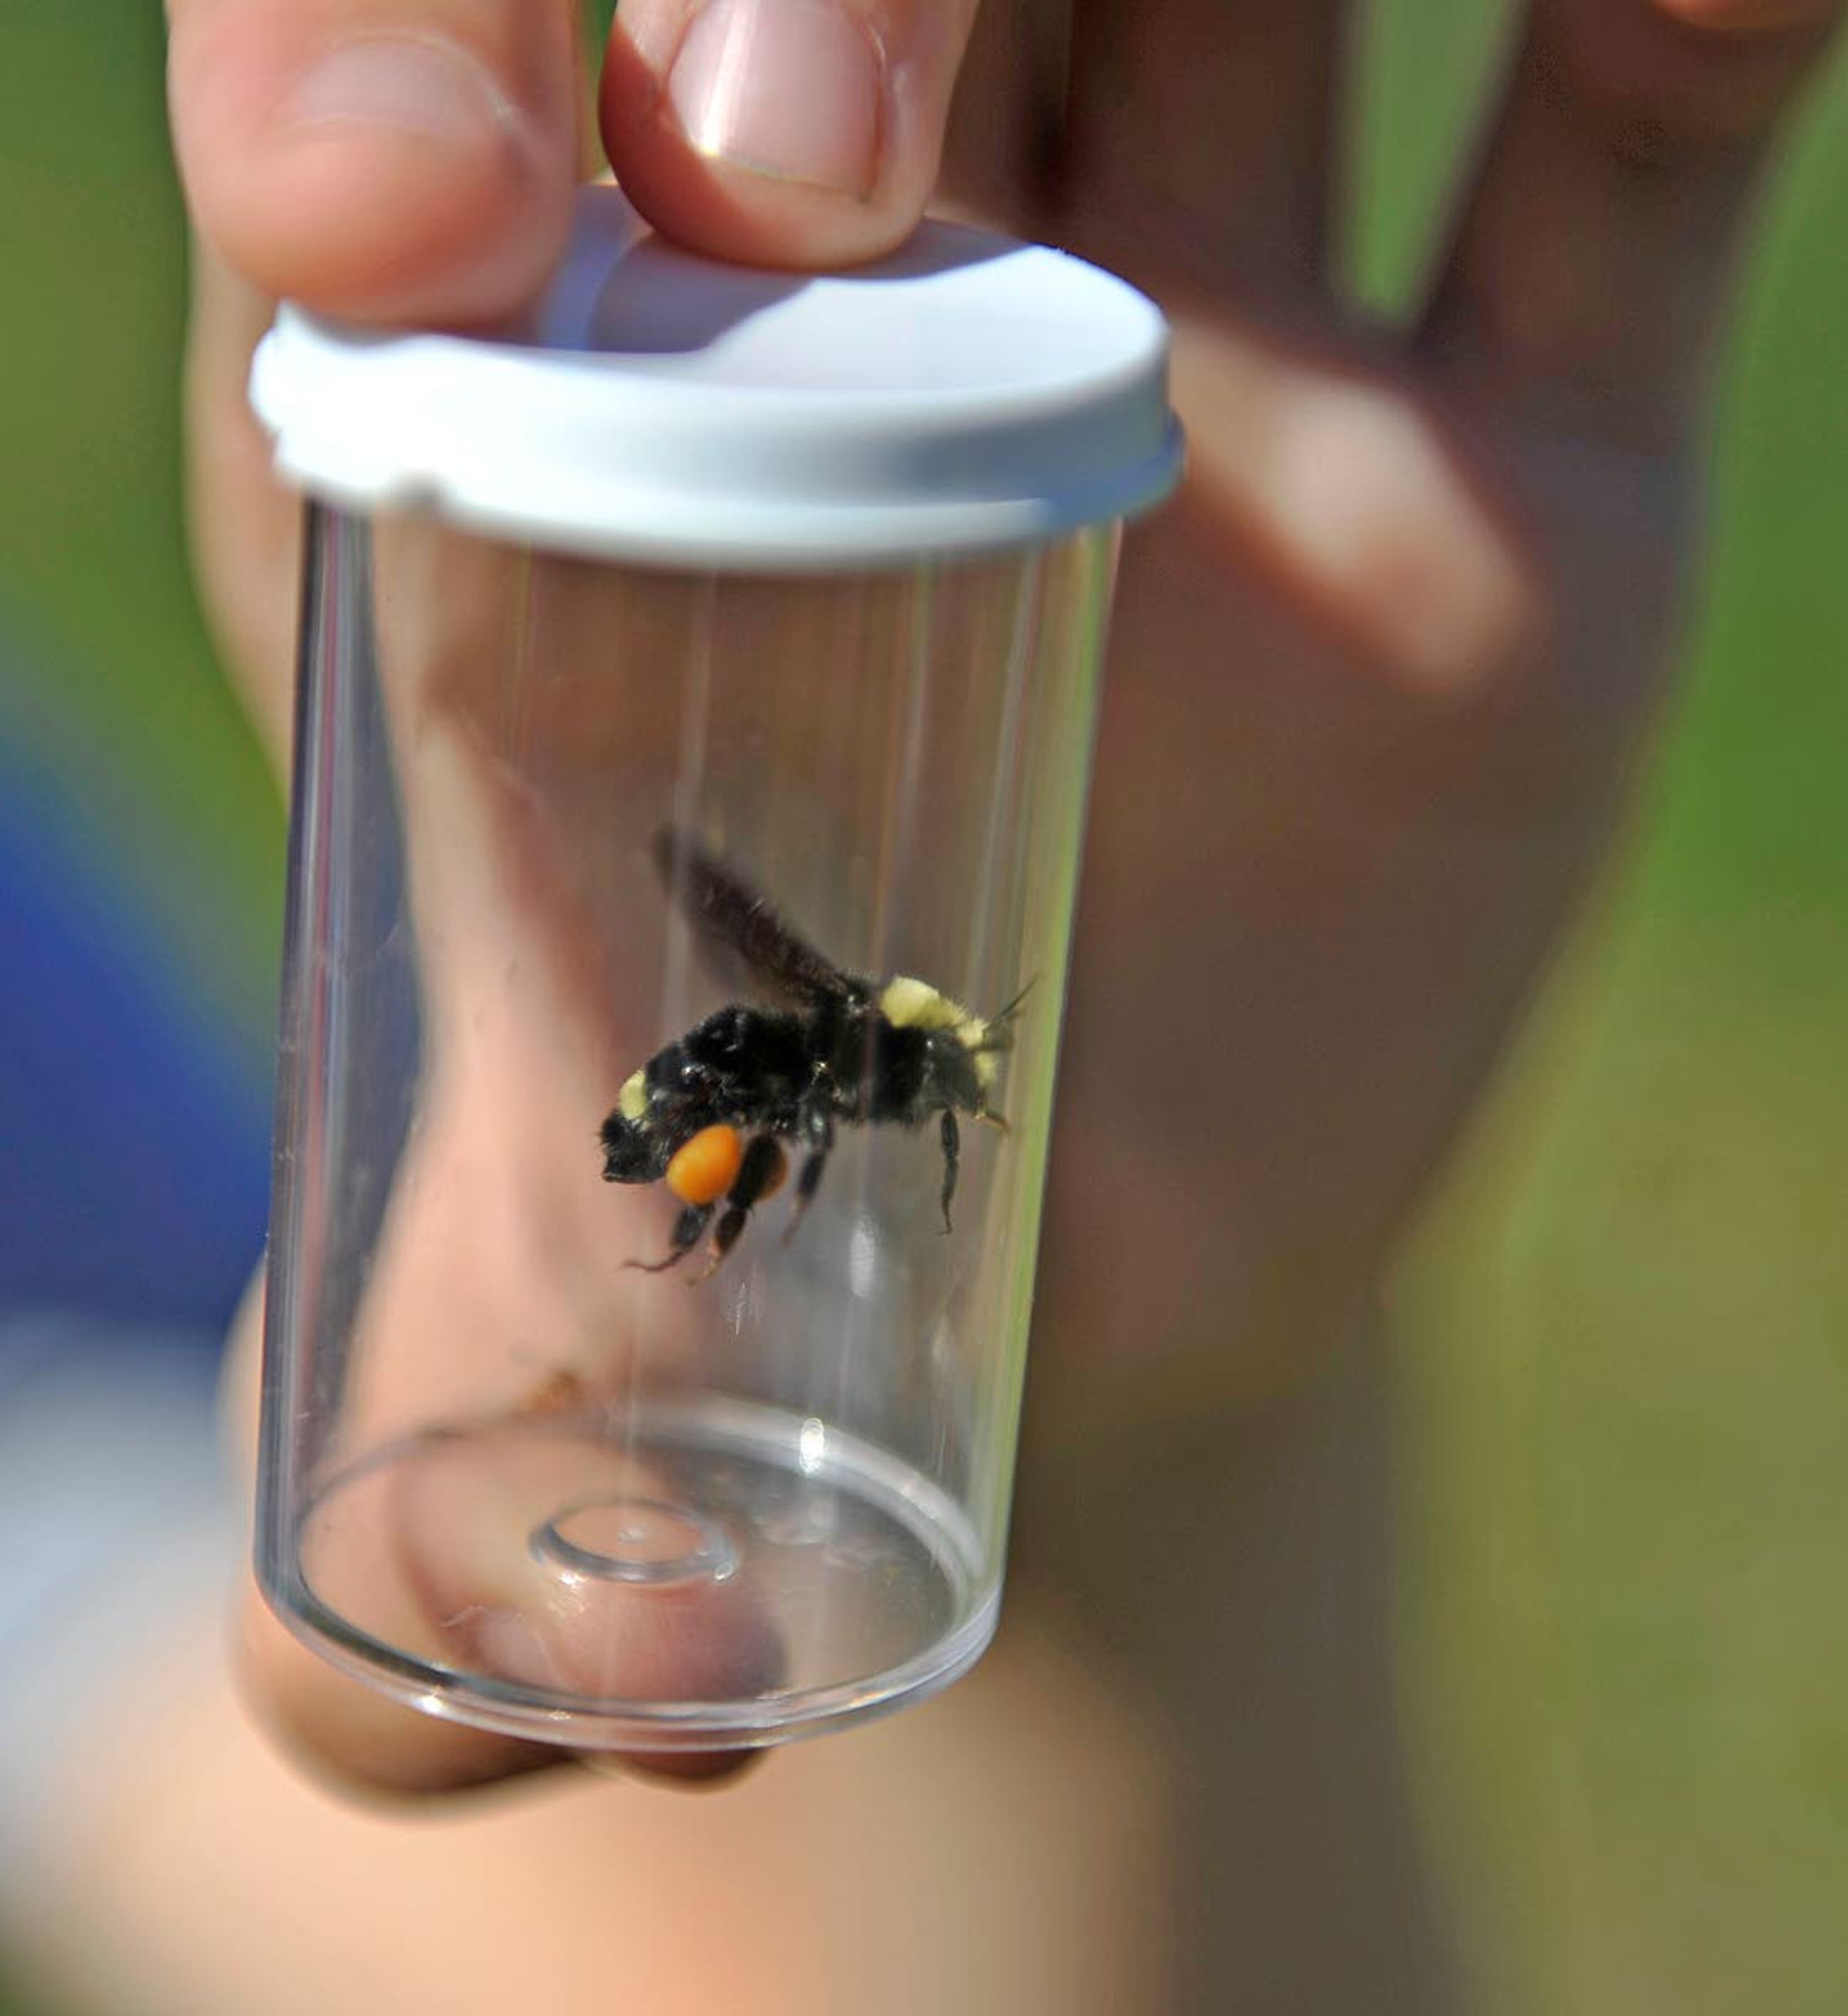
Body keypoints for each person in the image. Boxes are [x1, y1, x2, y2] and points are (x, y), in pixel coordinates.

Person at [10, 2, 1839, 2010]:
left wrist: (1130, 1473)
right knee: (746, 1114)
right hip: (703, 1093)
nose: (971, 1082)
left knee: (753, 1126)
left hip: (811, 1300)